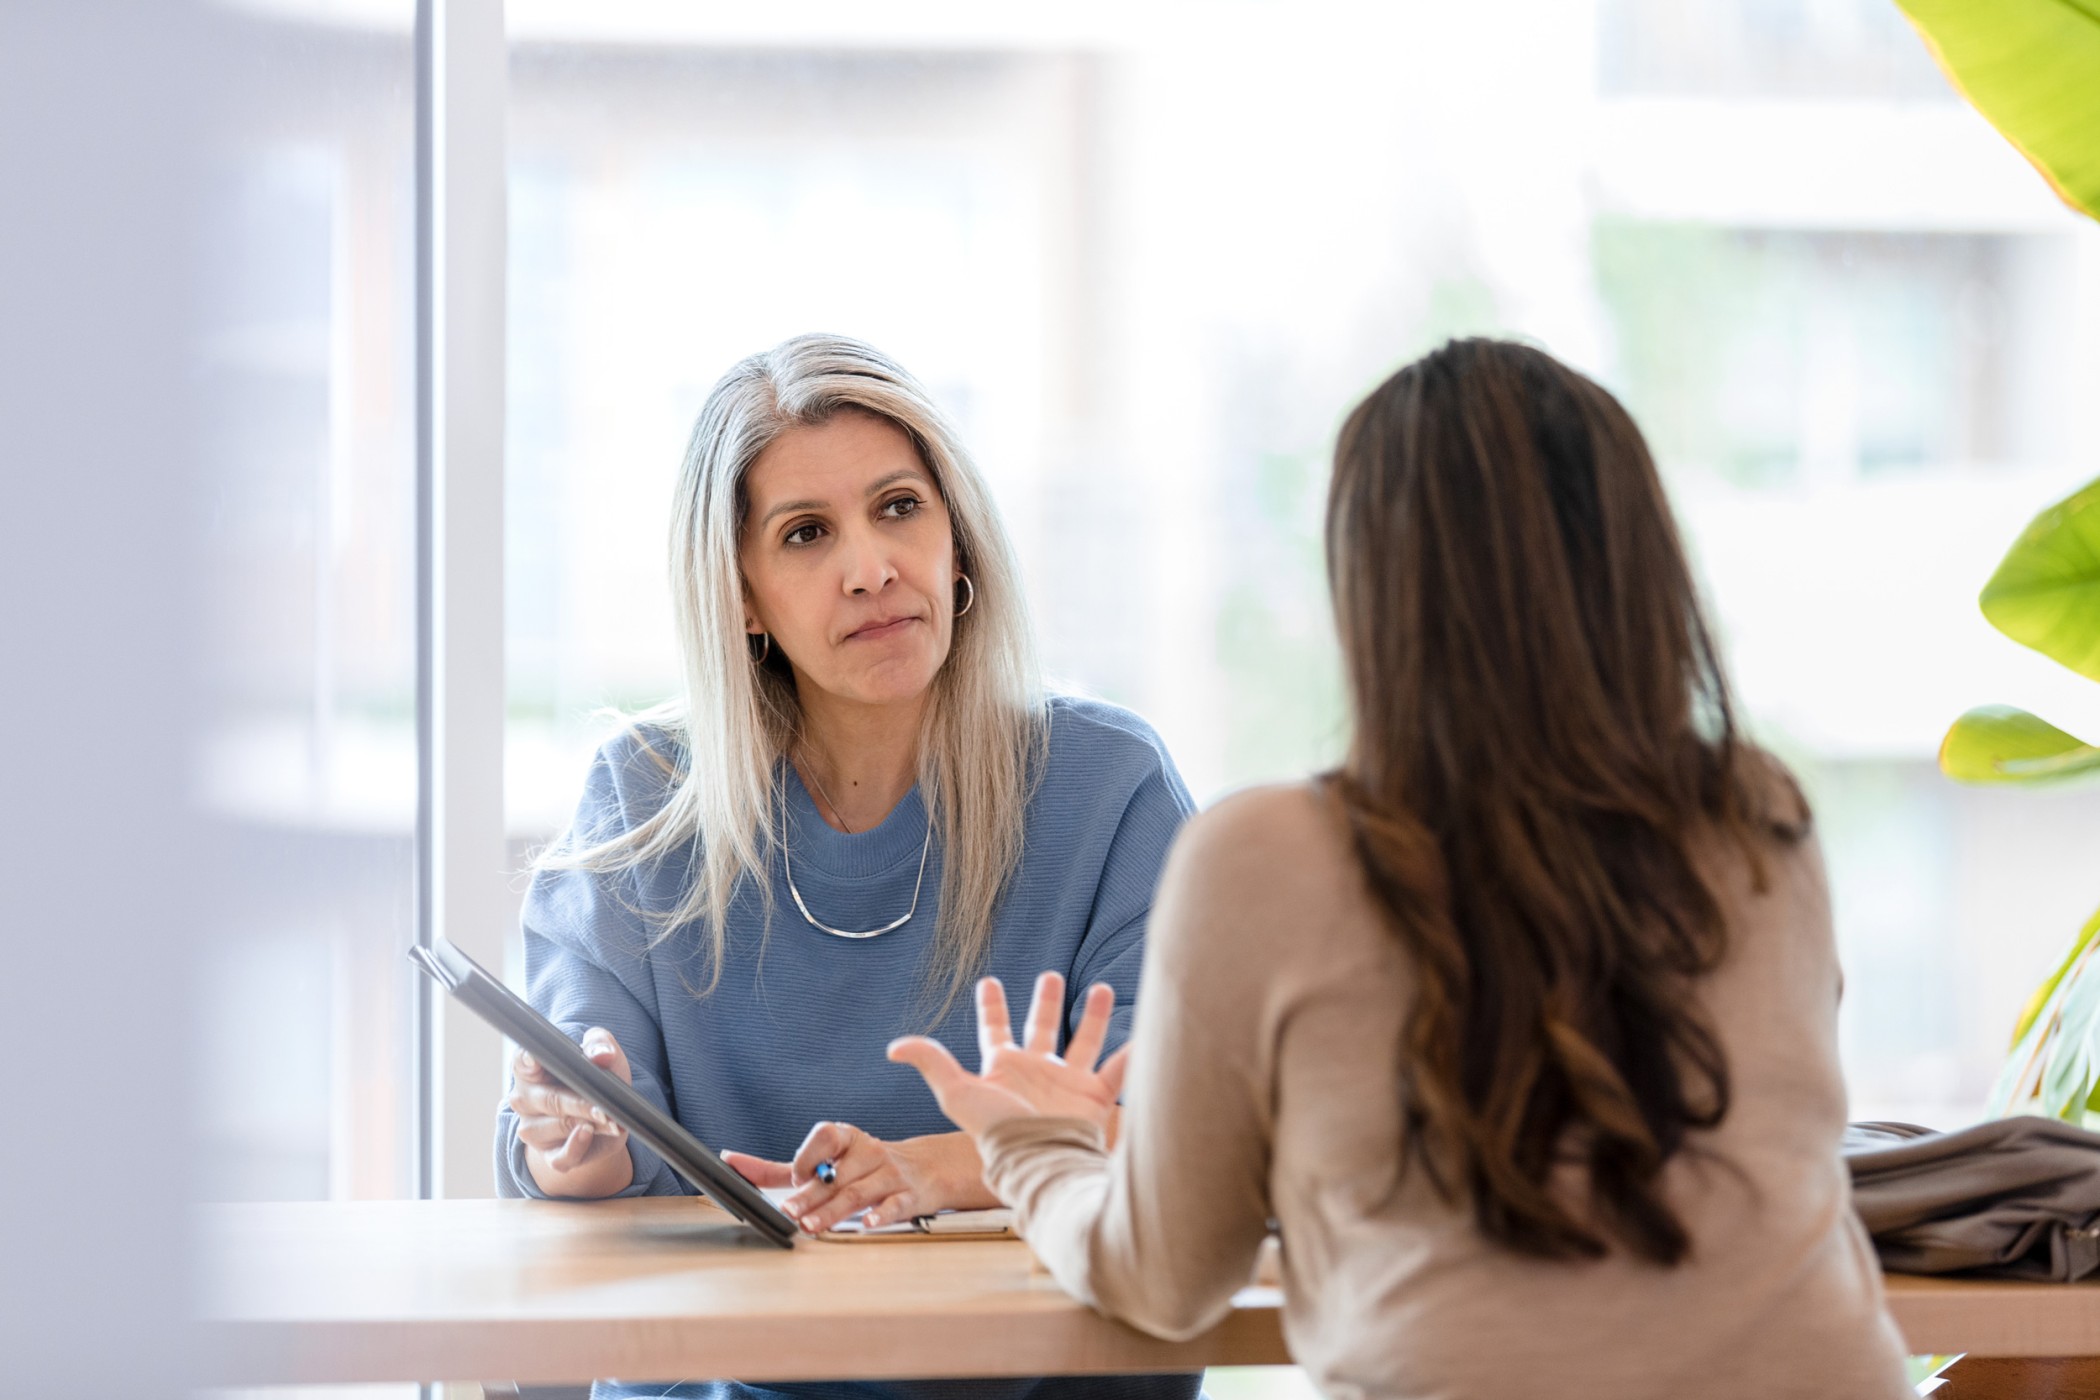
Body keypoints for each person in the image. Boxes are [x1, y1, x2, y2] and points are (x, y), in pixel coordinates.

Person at [890, 339, 1916, 1399]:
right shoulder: (1757, 813)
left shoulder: (1265, 856)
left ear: (1372, 583)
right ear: (1641, 564)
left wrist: (1035, 1144)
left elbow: (1167, 1280)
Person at [496, 333, 1200, 1400]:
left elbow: (1189, 1138)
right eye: (806, 532)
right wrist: (575, 1141)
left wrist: (948, 1165)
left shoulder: (1110, 788)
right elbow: (579, 1139)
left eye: (900, 508)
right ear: (740, 594)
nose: (870, 565)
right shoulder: (639, 797)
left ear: (958, 538)